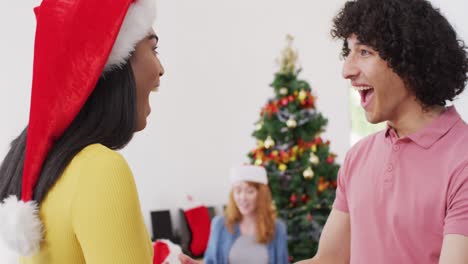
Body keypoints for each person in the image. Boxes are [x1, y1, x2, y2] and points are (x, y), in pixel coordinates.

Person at [297, 0, 468, 263]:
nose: (347, 70)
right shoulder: (358, 157)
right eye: (349, 51)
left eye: (364, 52)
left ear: (410, 61)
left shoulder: (462, 160)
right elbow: (329, 260)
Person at [0, 0, 164, 263]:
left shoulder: (48, 168)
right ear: (116, 64)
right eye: (154, 49)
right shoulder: (100, 169)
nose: (160, 69)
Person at [179, 165, 289, 264]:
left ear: (261, 195)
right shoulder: (219, 225)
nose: (242, 197)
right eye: (238, 191)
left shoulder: (278, 228)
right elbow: (210, 261)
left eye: (250, 191)